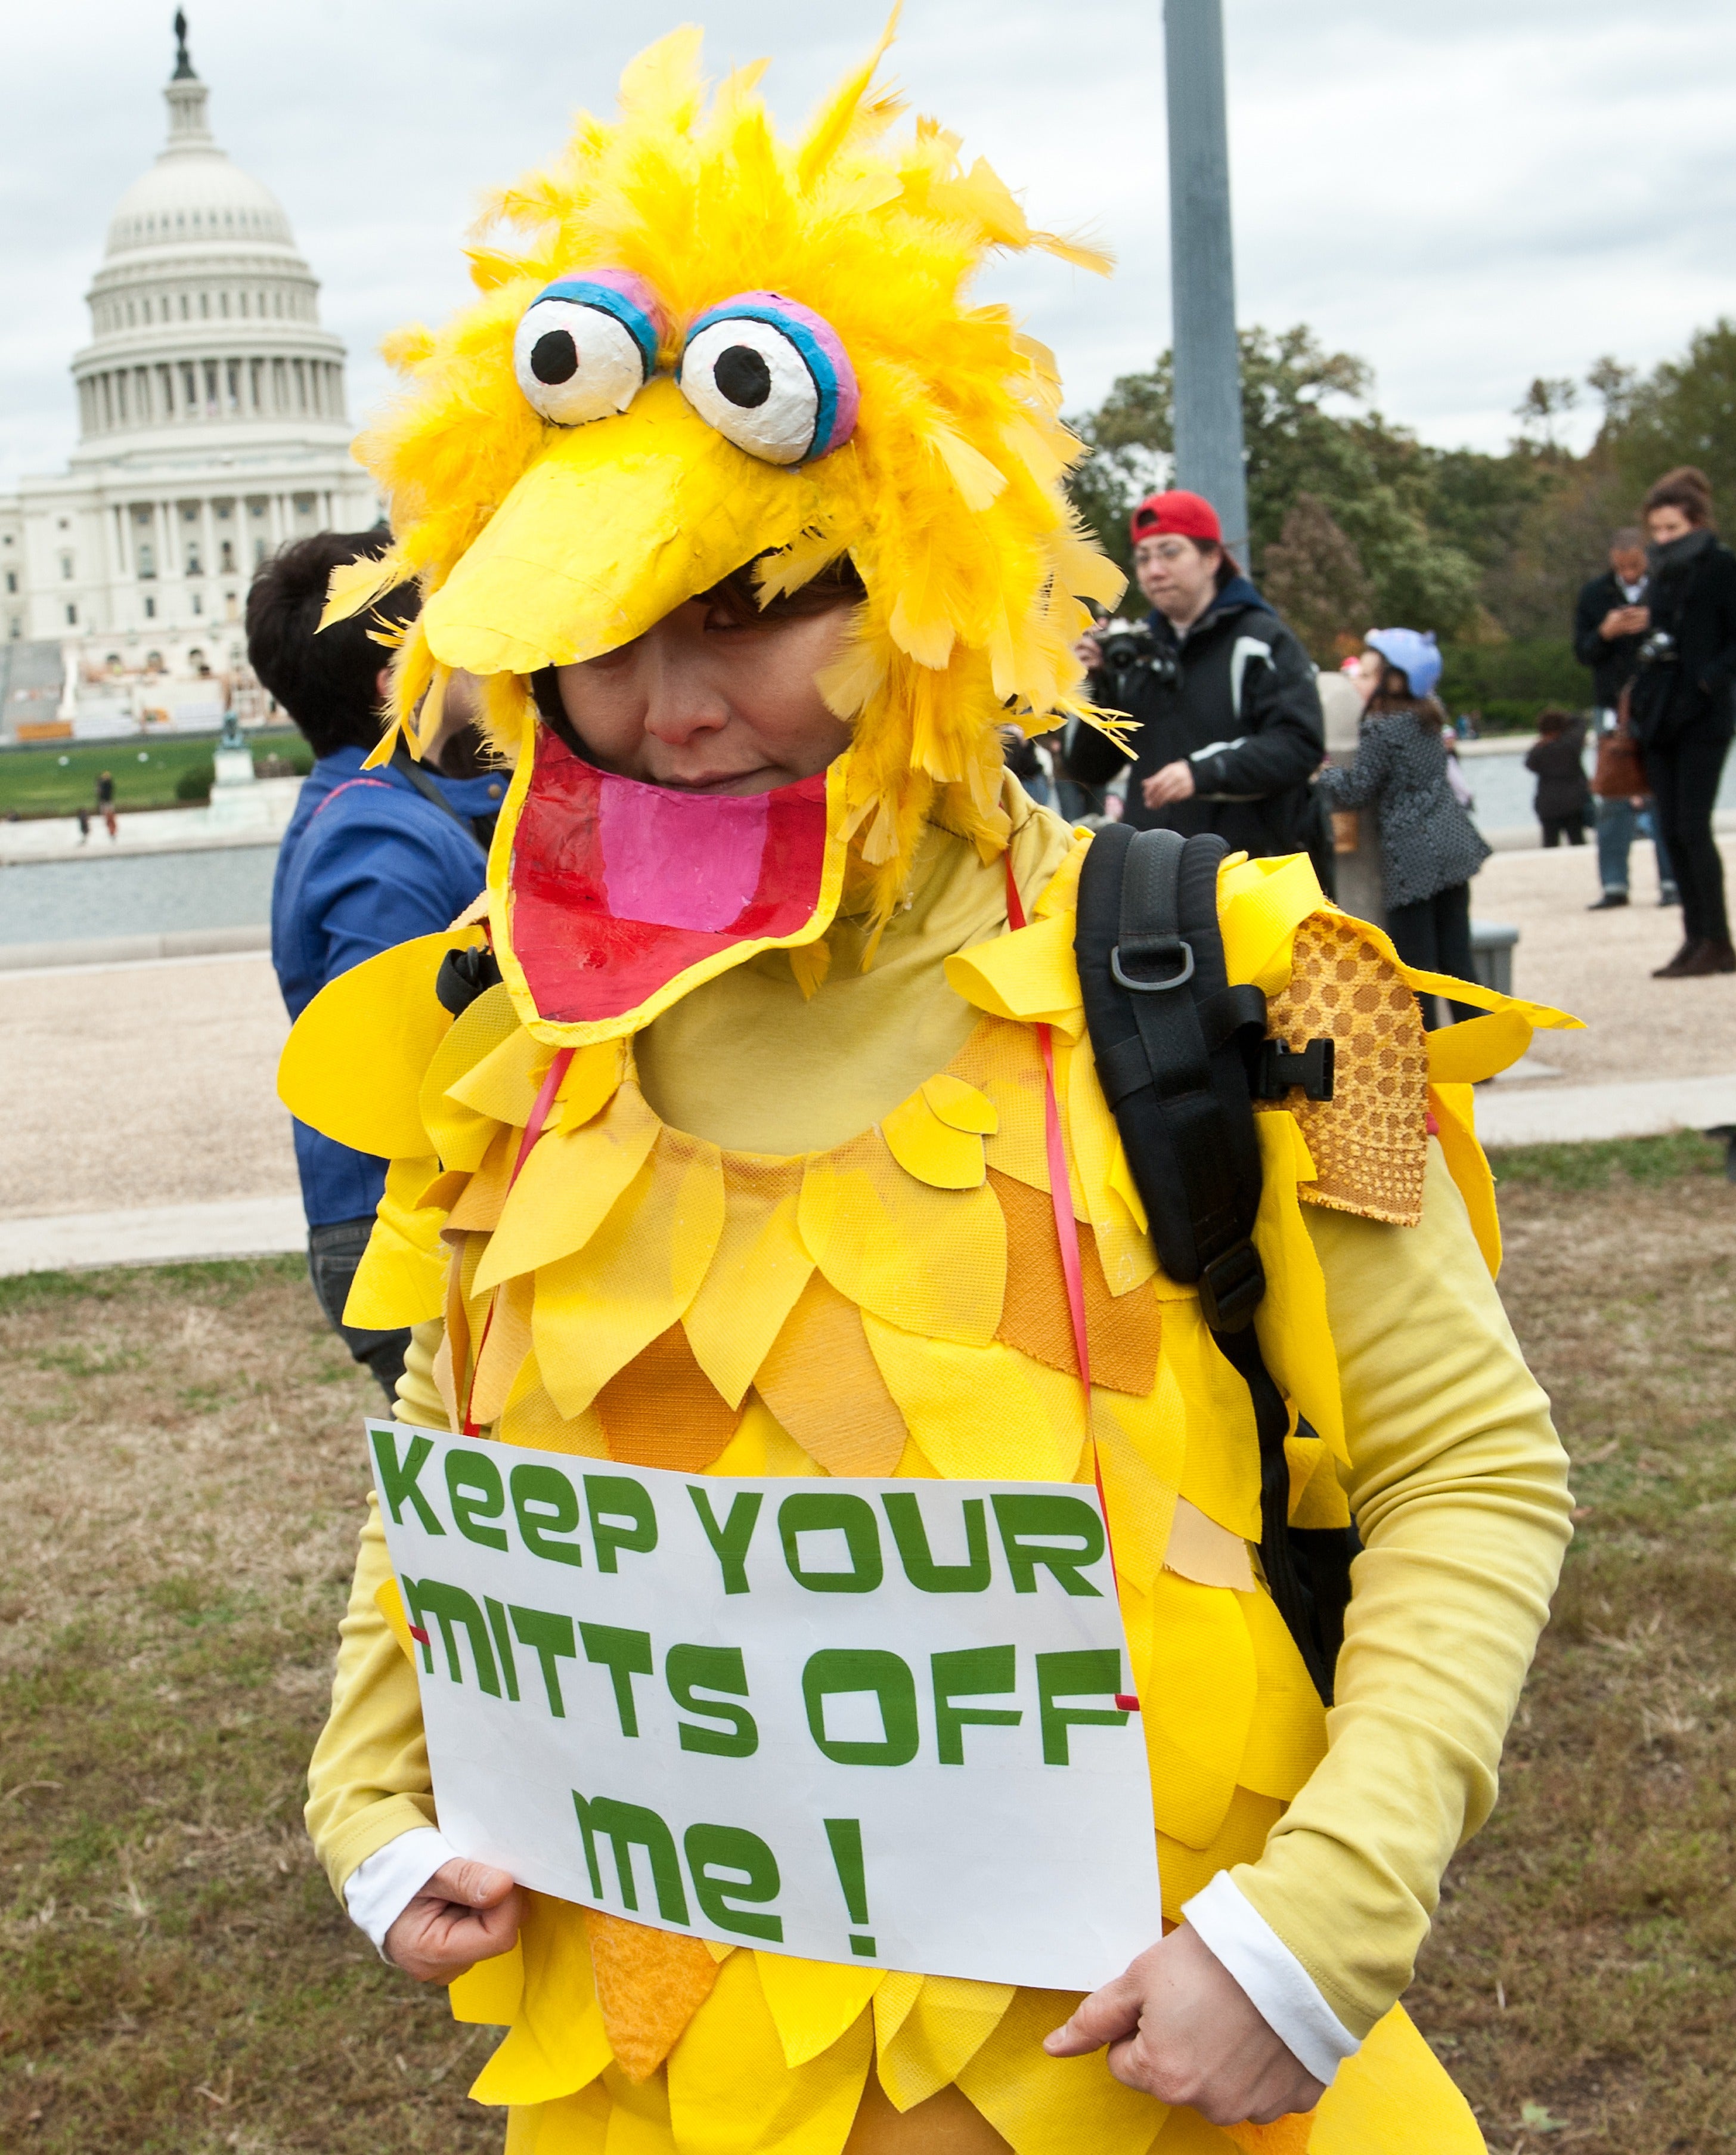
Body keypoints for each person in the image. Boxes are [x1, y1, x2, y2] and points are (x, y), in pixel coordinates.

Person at [283, 33, 1570, 2147]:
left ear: (930, 585)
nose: (671, 709)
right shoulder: (491, 1030)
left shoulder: (1291, 974)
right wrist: (370, 1788)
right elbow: (451, 1450)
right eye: (598, 626)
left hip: (1161, 2080)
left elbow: (1473, 1469)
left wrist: (1313, 1933)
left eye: (764, 605)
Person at [250, 526, 508, 1405]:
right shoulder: (376, 833)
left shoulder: (380, 803)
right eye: (452, 628)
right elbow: (411, 1059)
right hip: (398, 1231)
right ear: (395, 681)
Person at [1064, 491, 1327, 879]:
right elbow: (1089, 768)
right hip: (1154, 877)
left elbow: (1299, 745)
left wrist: (1201, 772)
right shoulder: (1138, 652)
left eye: (1170, 552)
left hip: (1247, 878)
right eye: (1144, 557)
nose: (1154, 570)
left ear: (1212, 558)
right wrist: (1094, 686)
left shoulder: (1262, 640)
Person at [1318, 630, 1492, 1025]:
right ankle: (1478, 1047)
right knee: (1457, 954)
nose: (1356, 682)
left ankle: (1425, 1051)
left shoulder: (1381, 728)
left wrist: (1322, 775)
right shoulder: (1430, 711)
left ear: (1394, 680)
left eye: (1364, 675)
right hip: (1451, 841)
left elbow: (1359, 789)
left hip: (1412, 853)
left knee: (1417, 961)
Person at [1631, 467, 1736, 977]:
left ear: (1695, 521)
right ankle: (1696, 936)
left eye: (1672, 529)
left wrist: (1708, 681)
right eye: (1657, 530)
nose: (1663, 539)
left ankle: (1717, 937)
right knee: (1670, 829)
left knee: (1693, 827)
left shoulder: (1720, 566)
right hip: (1661, 714)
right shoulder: (1660, 575)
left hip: (1702, 714)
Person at [1574, 528, 1670, 909]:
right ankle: (1614, 883)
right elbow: (1582, 652)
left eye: (1635, 566)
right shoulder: (1595, 595)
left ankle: (1672, 880)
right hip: (1613, 703)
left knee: (1664, 792)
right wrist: (1605, 632)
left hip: (1660, 700)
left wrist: (1654, 622)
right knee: (1612, 792)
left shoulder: (1665, 587)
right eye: (1622, 566)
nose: (1629, 573)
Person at [1523, 708, 1593, 850]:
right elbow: (1580, 722)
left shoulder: (1539, 751)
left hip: (1548, 803)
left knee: (1550, 844)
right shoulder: (1571, 745)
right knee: (1577, 841)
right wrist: (1566, 721)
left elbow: (1529, 765)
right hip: (1574, 801)